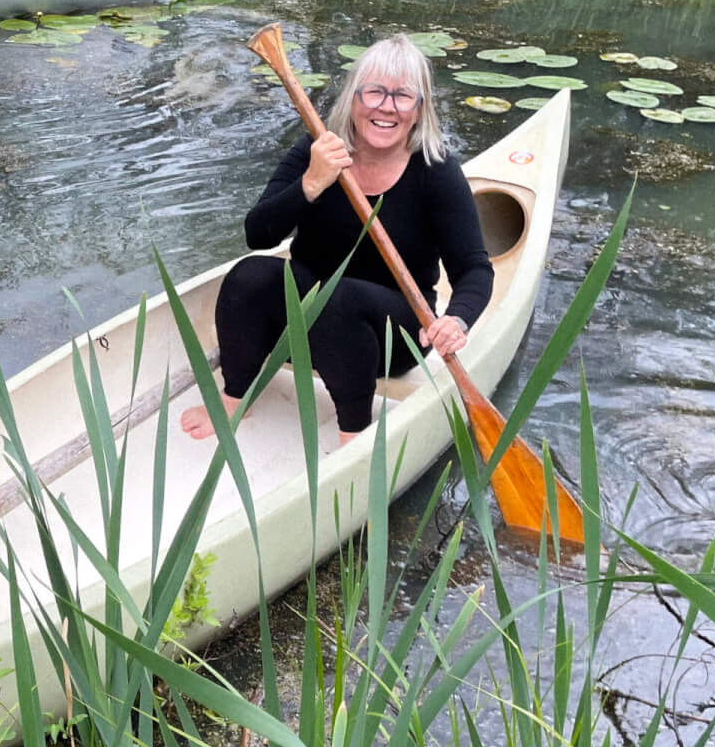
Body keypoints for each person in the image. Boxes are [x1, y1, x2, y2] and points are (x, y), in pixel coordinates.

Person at [182, 33, 493, 446]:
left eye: (403, 96)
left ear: (419, 109)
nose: (387, 106)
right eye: (375, 92)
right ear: (354, 98)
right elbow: (257, 234)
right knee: (250, 276)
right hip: (308, 322)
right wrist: (310, 183)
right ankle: (234, 397)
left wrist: (456, 319)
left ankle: (354, 435)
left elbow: (474, 269)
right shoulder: (318, 149)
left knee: (340, 299)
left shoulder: (435, 171)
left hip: (392, 336)